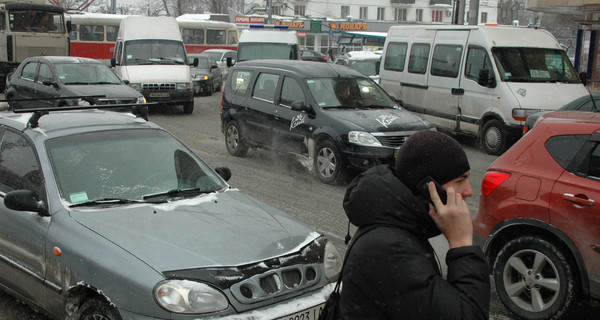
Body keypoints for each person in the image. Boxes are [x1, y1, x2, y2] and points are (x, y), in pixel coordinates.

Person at [337, 130, 490, 320]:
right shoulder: (388, 249)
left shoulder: (402, 225)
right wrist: (462, 244)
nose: (469, 191)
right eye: (460, 180)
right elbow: (469, 315)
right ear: (427, 187)